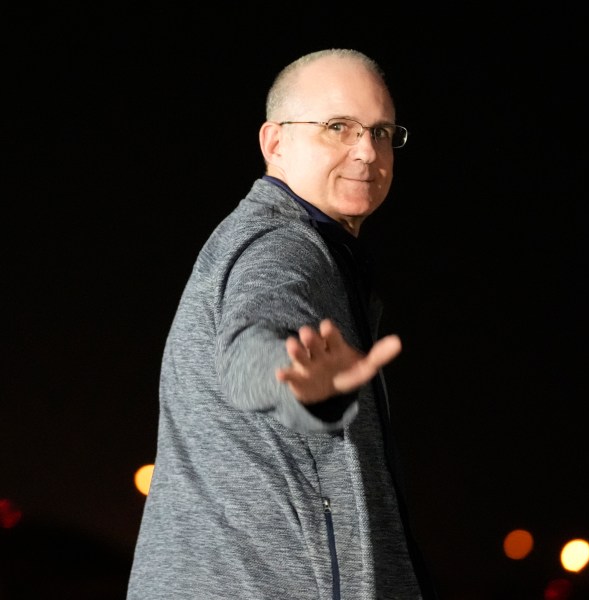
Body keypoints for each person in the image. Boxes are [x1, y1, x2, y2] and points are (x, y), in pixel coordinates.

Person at [127, 48, 436, 599]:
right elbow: (248, 356)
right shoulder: (283, 245)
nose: (367, 150)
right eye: (338, 127)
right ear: (275, 142)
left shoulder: (314, 250)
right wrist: (301, 385)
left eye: (382, 131)